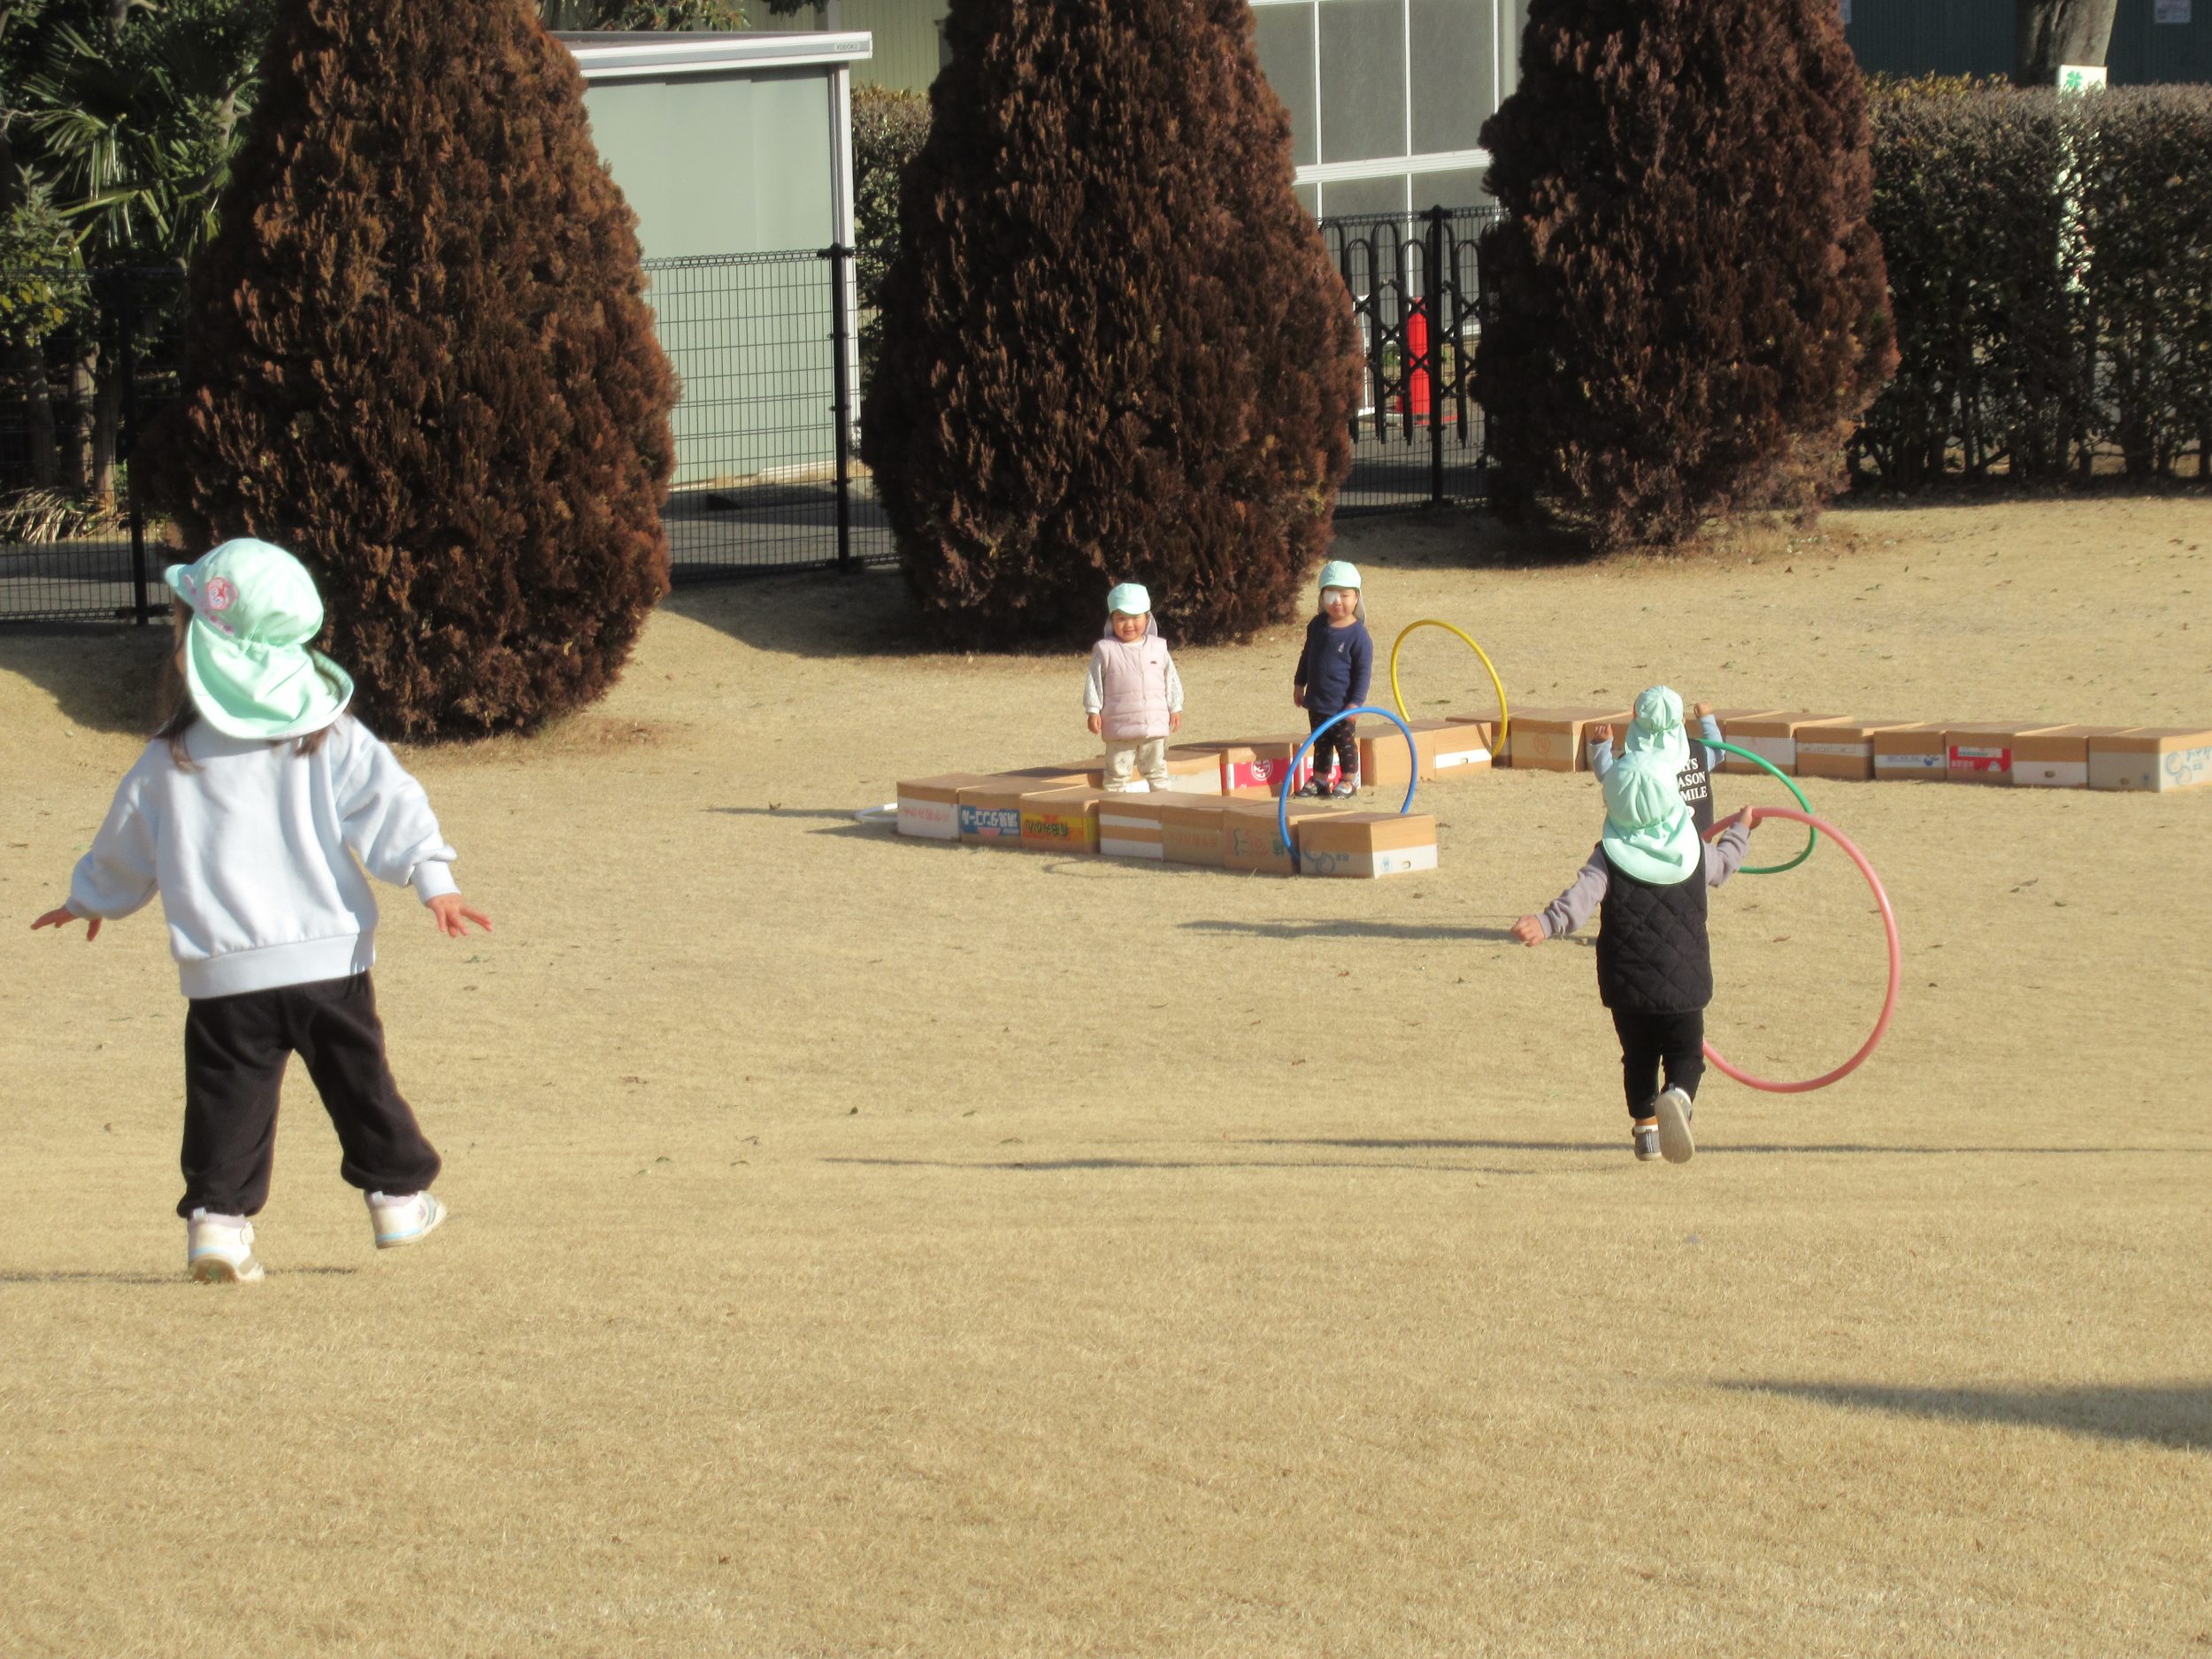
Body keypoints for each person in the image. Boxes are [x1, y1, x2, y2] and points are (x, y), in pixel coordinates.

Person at [30, 538, 488, 1283]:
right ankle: (398, 1200)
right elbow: (390, 803)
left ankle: (216, 1225)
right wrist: (433, 878)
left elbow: (126, 838)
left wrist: (92, 898)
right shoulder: (329, 735)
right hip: (327, 959)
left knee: (226, 1100)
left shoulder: (169, 756)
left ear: (199, 650)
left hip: (223, 973)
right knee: (359, 1082)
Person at [1510, 732, 1763, 1164]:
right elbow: (1725, 866)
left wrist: (1546, 922)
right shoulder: (1692, 849)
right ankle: (1678, 1096)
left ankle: (1647, 1131)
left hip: (1626, 981)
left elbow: (1581, 898)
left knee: (1639, 1057)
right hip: (1684, 978)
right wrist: (1740, 829)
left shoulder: (1608, 856)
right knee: (1686, 1053)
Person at [1083, 580, 1184, 792]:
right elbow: (1094, 681)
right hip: (1120, 727)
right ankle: (1114, 806)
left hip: (1153, 724)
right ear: (1111, 620)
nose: (1128, 624)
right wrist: (1093, 710)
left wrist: (1175, 707)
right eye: (1121, 618)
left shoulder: (1158, 647)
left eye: (1135, 617)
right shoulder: (1105, 650)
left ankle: (1163, 802)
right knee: (1117, 773)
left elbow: (1171, 678)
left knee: (1157, 769)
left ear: (1147, 618)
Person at [1589, 687, 1724, 837]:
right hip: (1701, 837)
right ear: (1682, 720)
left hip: (1657, 841)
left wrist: (1602, 745)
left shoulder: (1633, 765)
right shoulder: (1698, 751)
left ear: (1635, 718)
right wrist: (1706, 719)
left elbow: (1606, 776)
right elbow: (1719, 752)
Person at [1291, 559, 1371, 799]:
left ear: (1356, 598)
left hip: (1342, 706)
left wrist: (1356, 703)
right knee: (1320, 743)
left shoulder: (1359, 636)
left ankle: (1348, 780)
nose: (1338, 602)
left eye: (1345, 595)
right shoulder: (1317, 626)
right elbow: (1307, 656)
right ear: (1321, 597)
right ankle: (1320, 779)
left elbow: (1363, 672)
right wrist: (1299, 684)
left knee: (1345, 744)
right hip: (1317, 701)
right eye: (1331, 595)